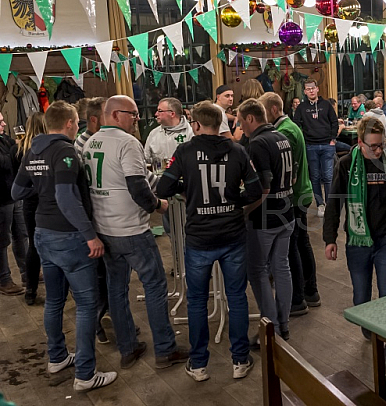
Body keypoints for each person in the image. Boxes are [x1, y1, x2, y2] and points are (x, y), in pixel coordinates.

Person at [11, 101, 117, 391]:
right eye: (76, 122)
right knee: (85, 305)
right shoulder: (65, 151)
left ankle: (56, 357)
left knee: (55, 300)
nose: (78, 125)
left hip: (43, 233)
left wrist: (41, 188)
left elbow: (17, 190)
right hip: (69, 236)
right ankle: (85, 374)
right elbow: (66, 197)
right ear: (70, 123)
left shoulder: (33, 149)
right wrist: (89, 235)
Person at [157, 101, 262, 382]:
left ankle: (199, 363)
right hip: (232, 234)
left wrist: (188, 187)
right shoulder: (238, 150)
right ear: (220, 125)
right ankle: (240, 360)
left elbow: (163, 188)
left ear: (196, 125)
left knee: (196, 300)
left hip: (200, 237)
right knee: (237, 297)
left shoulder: (185, 151)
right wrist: (233, 200)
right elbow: (254, 191)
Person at [83, 96, 188, 370]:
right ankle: (165, 349)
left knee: (116, 289)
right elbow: (138, 188)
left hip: (104, 227)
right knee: (154, 285)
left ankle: (128, 347)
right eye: (133, 115)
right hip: (130, 227)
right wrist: (158, 205)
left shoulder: (91, 141)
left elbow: (137, 178)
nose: (137, 120)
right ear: (116, 114)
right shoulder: (127, 142)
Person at [323, 117, 386, 379]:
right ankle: (370, 326)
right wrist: (330, 239)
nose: (378, 151)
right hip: (358, 242)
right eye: (373, 146)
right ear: (360, 142)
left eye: (381, 145)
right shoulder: (347, 163)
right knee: (361, 299)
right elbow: (334, 203)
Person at [259, 92, 320, 316]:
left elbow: (288, 171)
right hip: (301, 191)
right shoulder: (291, 127)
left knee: (293, 246)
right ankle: (310, 291)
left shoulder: (284, 132)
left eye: (264, 112)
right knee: (301, 243)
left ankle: (298, 297)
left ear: (274, 109)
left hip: (294, 195)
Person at [238, 99, 294, 340]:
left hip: (266, 217)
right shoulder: (282, 137)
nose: (240, 128)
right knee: (282, 267)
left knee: (258, 271)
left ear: (251, 118)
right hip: (287, 210)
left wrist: (244, 211)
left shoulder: (258, 143)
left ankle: (270, 331)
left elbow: (264, 188)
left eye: (241, 122)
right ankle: (283, 323)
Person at [71, 98, 112, 341]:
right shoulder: (85, 143)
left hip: (97, 216)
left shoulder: (90, 140)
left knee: (104, 275)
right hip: (93, 219)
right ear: (95, 119)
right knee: (98, 276)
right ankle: (98, 325)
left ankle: (107, 320)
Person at [13, 112, 46, 305]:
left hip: (29, 203)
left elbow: (16, 183)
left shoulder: (19, 150)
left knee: (33, 245)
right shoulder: (46, 150)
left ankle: (30, 291)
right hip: (45, 201)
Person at [293, 80, 339, 218]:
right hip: (310, 146)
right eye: (308, 89)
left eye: (313, 88)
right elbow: (296, 124)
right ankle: (320, 204)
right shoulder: (301, 108)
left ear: (317, 89)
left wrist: (332, 139)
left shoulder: (326, 105)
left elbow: (334, 122)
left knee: (328, 176)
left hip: (327, 145)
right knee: (315, 177)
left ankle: (330, 204)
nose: (311, 91)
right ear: (305, 91)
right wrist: (303, 140)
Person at [0, 111, 26, 296]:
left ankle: (27, 272)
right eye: (0, 122)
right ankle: (4, 279)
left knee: (21, 234)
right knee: (2, 240)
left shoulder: (4, 139)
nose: (3, 124)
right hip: (1, 198)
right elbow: (6, 163)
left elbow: (16, 155)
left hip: (14, 194)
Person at [144, 97, 193, 166]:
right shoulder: (154, 133)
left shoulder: (191, 132)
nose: (156, 114)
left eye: (160, 111)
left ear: (172, 114)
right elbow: (146, 159)